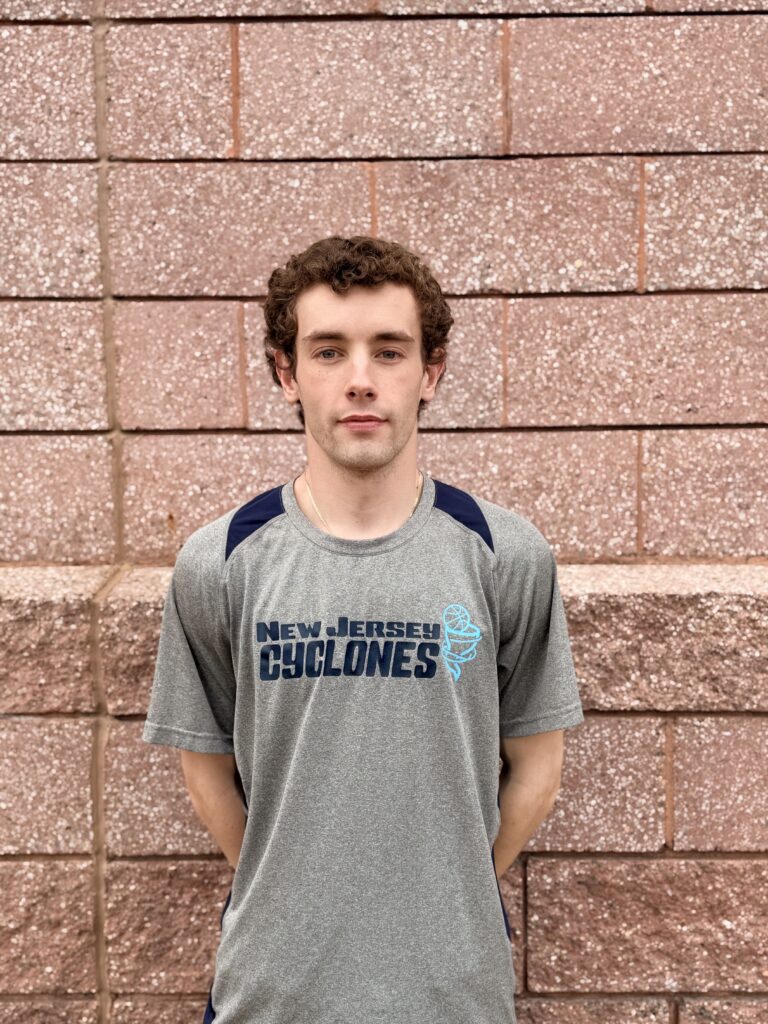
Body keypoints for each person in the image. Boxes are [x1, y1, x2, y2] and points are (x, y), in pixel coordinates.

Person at [142, 235, 585, 1024]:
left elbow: (537, 773)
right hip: (273, 994)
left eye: (388, 351)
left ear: (430, 372)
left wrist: (443, 899)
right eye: (328, 351)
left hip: (452, 996)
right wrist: (290, 893)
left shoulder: (504, 554)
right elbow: (206, 771)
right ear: (286, 373)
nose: (360, 379)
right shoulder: (221, 561)